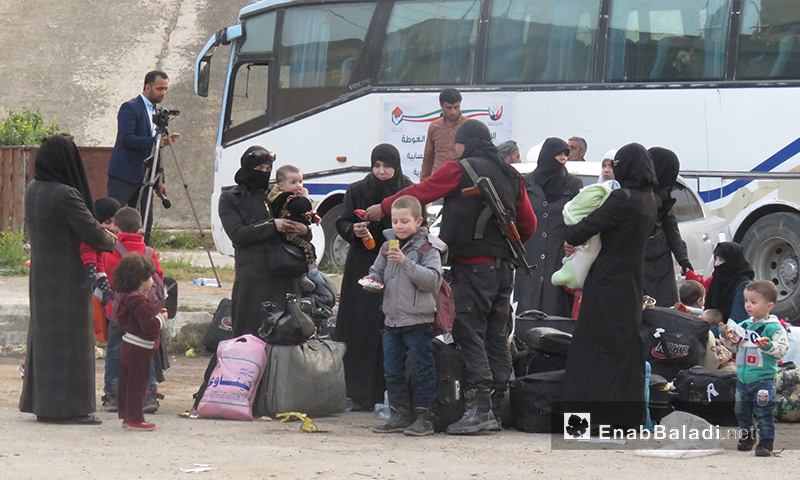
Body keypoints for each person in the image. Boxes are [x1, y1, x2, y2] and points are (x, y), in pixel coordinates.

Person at [364, 119, 537, 434]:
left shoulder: (461, 168)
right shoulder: (512, 174)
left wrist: (385, 207)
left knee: (469, 330)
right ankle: (498, 408)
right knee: (497, 335)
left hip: (473, 266)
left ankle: (479, 407)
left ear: (465, 143)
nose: (453, 149)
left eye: (456, 144)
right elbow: (528, 225)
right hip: (504, 268)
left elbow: (422, 191)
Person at [192, 146, 306, 411]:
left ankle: (277, 399)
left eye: (269, 170)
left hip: (284, 275)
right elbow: (238, 234)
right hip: (253, 278)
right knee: (244, 339)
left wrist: (303, 228)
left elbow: (301, 226)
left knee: (284, 336)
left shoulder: (278, 193)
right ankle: (230, 395)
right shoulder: (230, 197)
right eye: (260, 170)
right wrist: (272, 226)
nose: (264, 175)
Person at [20, 135, 116, 424]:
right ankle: (68, 408)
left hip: (42, 275)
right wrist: (113, 239)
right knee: (70, 344)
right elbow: (92, 232)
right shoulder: (66, 195)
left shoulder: (32, 189)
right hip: (69, 278)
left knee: (45, 339)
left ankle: (44, 404)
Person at [562, 143, 658, 429]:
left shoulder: (622, 199)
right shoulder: (650, 200)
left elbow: (579, 229)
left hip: (606, 283)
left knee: (591, 353)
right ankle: (624, 421)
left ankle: (584, 423)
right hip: (631, 284)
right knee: (623, 354)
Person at [335, 144, 415, 411]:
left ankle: (390, 394)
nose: (381, 172)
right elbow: (343, 221)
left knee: (391, 326)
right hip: (364, 264)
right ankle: (356, 393)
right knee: (360, 325)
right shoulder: (358, 189)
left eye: (387, 166)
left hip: (397, 263)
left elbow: (419, 222)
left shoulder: (407, 188)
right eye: (377, 166)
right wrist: (353, 230)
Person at [364, 195, 446, 436]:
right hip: (391, 319)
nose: (399, 226)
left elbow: (433, 280)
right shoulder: (387, 245)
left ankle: (426, 416)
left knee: (423, 369)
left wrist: (405, 263)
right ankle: (399, 413)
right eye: (395, 221)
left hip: (418, 320)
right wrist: (371, 281)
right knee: (392, 370)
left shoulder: (428, 247)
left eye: (404, 221)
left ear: (418, 221)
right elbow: (376, 271)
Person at [101, 207, 165, 414]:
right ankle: (148, 396)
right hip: (145, 312)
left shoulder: (110, 252)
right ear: (140, 229)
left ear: (116, 229)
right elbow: (159, 279)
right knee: (148, 354)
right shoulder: (150, 253)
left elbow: (108, 280)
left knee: (114, 353)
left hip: (118, 312)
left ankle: (113, 396)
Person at [515, 137, 583, 317]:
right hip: (529, 259)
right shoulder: (525, 182)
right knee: (526, 313)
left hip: (559, 259)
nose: (562, 159)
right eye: (558, 155)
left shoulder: (573, 184)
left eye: (565, 155)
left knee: (556, 314)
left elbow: (578, 220)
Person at [720, 280, 788, 457]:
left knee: (763, 411)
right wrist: (727, 335)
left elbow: (782, 350)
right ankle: (747, 435)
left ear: (769, 306)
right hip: (743, 378)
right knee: (740, 410)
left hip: (763, 379)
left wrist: (768, 346)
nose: (748, 305)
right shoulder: (744, 325)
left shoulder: (774, 327)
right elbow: (734, 346)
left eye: (753, 302)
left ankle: (766, 441)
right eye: (746, 301)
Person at [107, 70, 178, 209]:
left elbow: (155, 151)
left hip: (146, 179)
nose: (163, 93)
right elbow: (126, 139)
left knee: (144, 223)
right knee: (113, 215)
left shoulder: (157, 112)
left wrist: (159, 180)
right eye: (159, 89)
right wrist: (156, 141)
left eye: (165, 89)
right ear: (147, 87)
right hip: (124, 176)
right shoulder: (130, 108)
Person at [113, 254, 168, 431]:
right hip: (140, 348)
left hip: (127, 344)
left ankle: (127, 416)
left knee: (126, 383)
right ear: (141, 280)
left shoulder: (126, 299)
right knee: (139, 384)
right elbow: (150, 326)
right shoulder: (140, 302)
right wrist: (161, 318)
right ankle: (136, 419)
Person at [643, 147, 692, 306]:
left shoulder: (664, 193)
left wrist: (683, 258)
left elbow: (672, 229)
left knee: (665, 312)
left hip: (661, 263)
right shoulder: (637, 192)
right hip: (639, 263)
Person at [267, 164, 321, 281]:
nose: (298, 186)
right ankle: (312, 271)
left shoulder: (283, 196)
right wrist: (306, 196)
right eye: (293, 183)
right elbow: (302, 207)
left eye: (300, 182)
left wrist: (312, 217)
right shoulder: (286, 198)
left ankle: (304, 274)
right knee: (307, 247)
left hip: (291, 231)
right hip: (288, 234)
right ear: (281, 186)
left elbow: (301, 215)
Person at [419, 88, 468, 181]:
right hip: (439, 177)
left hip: (461, 177)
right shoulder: (434, 126)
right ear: (441, 106)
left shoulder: (468, 125)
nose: (453, 112)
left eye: (456, 107)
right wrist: (424, 181)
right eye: (449, 108)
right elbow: (428, 157)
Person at [705, 242, 754, 322]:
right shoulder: (718, 280)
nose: (716, 264)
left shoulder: (743, 285)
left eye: (721, 260)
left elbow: (737, 322)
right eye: (715, 259)